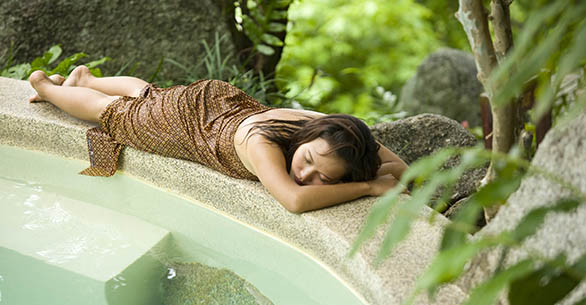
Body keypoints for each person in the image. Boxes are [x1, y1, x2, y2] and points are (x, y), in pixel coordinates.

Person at [28, 66, 408, 213]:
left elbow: (401, 168)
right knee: (114, 113)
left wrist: (363, 172)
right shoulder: (264, 145)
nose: (304, 173)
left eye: (323, 177)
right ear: (308, 138)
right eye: (307, 159)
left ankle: (87, 79)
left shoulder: (327, 130)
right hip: (186, 122)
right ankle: (47, 87)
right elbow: (294, 200)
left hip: (219, 102)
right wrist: (368, 187)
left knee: (150, 95)